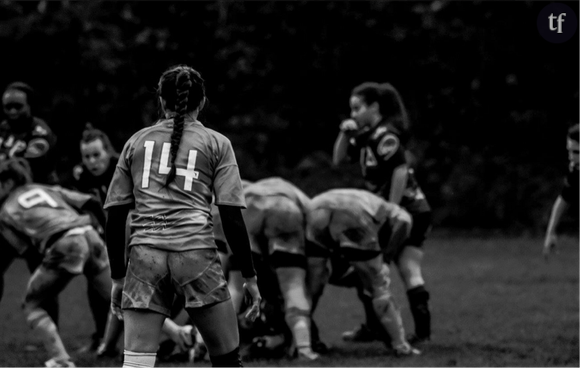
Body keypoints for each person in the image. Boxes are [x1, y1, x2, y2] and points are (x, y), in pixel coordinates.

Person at [104, 64, 261, 368]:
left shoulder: (135, 142)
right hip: (196, 255)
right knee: (228, 361)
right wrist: (250, 277)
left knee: (136, 365)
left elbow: (115, 215)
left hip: (144, 256)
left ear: (160, 101)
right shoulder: (217, 143)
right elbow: (230, 217)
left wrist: (117, 277)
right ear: (201, 103)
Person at [332, 82, 432, 344]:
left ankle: (376, 328)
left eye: (357, 108)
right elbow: (338, 159)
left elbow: (399, 169)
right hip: (418, 210)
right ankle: (422, 332)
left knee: (368, 266)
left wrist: (392, 208)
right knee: (406, 268)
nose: (353, 114)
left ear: (374, 107)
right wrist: (344, 134)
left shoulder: (384, 134)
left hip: (405, 211)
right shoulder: (366, 136)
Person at [0, 158, 111, 368]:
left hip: (64, 244)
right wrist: (107, 236)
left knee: (33, 303)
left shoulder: (5, 210)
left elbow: (25, 250)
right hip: (89, 234)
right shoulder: (46, 188)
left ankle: (61, 360)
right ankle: (180, 334)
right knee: (121, 299)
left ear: (7, 183)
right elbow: (92, 203)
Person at [306, 188, 420, 356]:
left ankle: (299, 341)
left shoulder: (371, 200)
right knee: (378, 285)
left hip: (315, 207)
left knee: (312, 284)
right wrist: (387, 258)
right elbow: (403, 223)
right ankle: (400, 345)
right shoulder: (395, 212)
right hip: (353, 213)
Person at [234, 177, 318, 361]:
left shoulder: (249, 192)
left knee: (234, 287)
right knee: (293, 286)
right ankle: (304, 347)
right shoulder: (305, 201)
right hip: (285, 208)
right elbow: (313, 262)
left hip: (245, 210)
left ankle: (210, 344)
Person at [0, 81, 58, 184]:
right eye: (8, 107)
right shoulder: (3, 128)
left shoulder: (41, 134)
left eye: (18, 107)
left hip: (37, 188)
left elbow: (26, 171)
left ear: (29, 105)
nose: (12, 111)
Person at [543, 123, 580, 258]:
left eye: (576, 152)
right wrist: (550, 232)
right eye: (569, 151)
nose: (571, 157)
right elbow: (564, 198)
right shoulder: (576, 171)